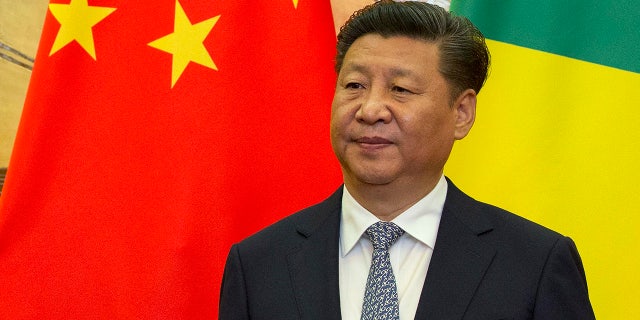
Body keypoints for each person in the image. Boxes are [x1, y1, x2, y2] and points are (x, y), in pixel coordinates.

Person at [219, 1, 595, 319]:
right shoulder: (258, 264)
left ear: (461, 113)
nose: (370, 109)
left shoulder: (534, 264)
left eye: (400, 89)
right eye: (354, 86)